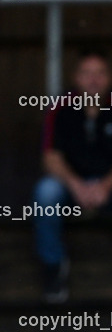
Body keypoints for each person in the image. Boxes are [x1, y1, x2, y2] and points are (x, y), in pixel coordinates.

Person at [32, 49, 112, 303]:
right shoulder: (61, 108)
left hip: (108, 185)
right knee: (45, 191)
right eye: (87, 73)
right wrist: (77, 185)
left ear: (109, 78)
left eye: (99, 73)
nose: (93, 80)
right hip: (71, 186)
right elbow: (50, 158)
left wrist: (105, 186)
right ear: (76, 78)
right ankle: (53, 268)